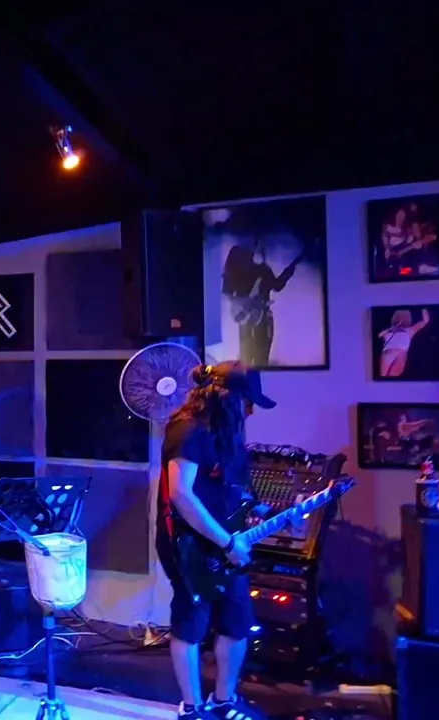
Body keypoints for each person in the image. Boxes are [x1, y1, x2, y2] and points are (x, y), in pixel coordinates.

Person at [156, 360, 276, 720]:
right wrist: (227, 543)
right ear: (225, 397)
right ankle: (191, 708)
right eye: (247, 402)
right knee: (191, 623)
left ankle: (224, 702)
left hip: (225, 540)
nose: (250, 410)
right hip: (189, 544)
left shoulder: (228, 433)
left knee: (237, 622)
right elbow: (181, 494)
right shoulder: (188, 430)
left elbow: (229, 486)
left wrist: (256, 508)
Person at [221, 238, 304, 367]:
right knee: (260, 357)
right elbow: (277, 286)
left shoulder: (251, 270)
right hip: (260, 319)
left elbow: (227, 292)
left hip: (249, 319)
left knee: (247, 357)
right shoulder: (260, 270)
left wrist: (288, 272)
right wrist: (247, 303)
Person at [378, 308, 431, 378]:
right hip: (390, 353)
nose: (401, 320)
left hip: (399, 354)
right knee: (383, 377)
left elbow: (425, 321)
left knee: (391, 377)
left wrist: (423, 308)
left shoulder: (410, 330)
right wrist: (392, 328)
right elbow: (380, 335)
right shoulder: (391, 331)